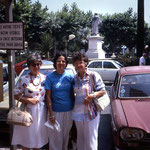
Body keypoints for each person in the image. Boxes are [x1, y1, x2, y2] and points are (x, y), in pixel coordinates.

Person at [12, 52, 48, 150]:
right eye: (33, 64)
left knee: (38, 140)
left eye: (38, 64)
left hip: (41, 113)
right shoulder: (23, 79)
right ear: (29, 65)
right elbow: (15, 94)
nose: (36, 66)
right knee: (26, 140)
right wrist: (28, 100)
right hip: (27, 112)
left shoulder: (45, 79)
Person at [72, 52, 106, 150]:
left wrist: (91, 95)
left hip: (91, 112)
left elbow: (103, 91)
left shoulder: (93, 75)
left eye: (80, 62)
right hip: (78, 113)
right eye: (76, 63)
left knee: (91, 140)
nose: (78, 65)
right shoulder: (74, 78)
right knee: (80, 139)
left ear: (86, 63)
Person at [45, 51, 74, 150]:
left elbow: (75, 91)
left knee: (66, 137)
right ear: (55, 62)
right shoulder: (50, 77)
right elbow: (48, 97)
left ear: (66, 63)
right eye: (59, 61)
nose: (61, 63)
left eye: (63, 61)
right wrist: (51, 113)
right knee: (55, 137)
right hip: (55, 112)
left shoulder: (70, 76)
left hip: (69, 111)